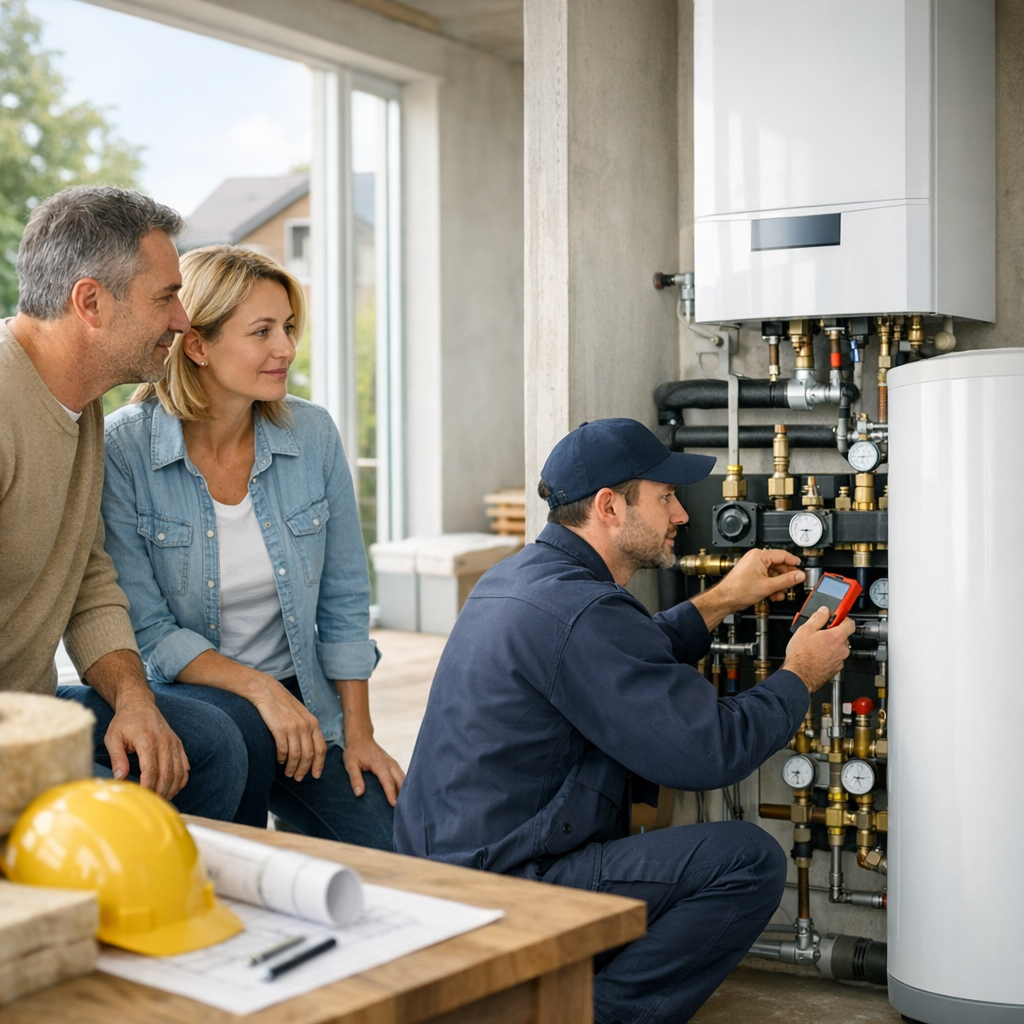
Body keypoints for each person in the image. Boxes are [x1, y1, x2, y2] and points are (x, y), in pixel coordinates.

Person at [394, 417, 854, 1023]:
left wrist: (720, 599)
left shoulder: (520, 579)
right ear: (610, 507)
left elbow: (616, 652)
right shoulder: (584, 608)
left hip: (446, 872)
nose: (682, 515)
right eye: (664, 499)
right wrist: (800, 675)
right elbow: (710, 751)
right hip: (505, 887)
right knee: (749, 861)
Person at [101, 244, 403, 849]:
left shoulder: (312, 433)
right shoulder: (124, 451)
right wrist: (260, 690)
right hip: (198, 706)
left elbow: (344, 595)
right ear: (198, 344)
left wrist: (359, 732)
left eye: (288, 328)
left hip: (304, 702)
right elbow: (148, 630)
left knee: (404, 849)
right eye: (262, 331)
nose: (286, 349)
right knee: (240, 858)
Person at [0, 185, 246, 820]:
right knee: (120, 814)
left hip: (36, 706)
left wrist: (134, 700)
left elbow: (86, 574)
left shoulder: (81, 406)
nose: (183, 321)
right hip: (9, 734)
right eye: (165, 297)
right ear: (90, 302)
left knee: (213, 741)